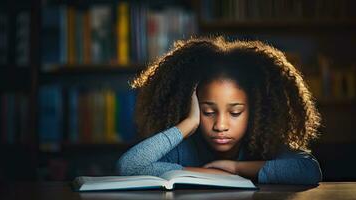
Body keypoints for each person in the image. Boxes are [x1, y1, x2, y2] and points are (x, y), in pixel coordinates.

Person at [117, 37, 322, 184]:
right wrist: (188, 124)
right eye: (207, 112)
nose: (220, 126)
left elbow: (308, 170)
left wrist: (235, 168)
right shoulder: (185, 150)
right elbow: (129, 166)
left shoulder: (264, 146)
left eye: (235, 113)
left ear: (256, 111)